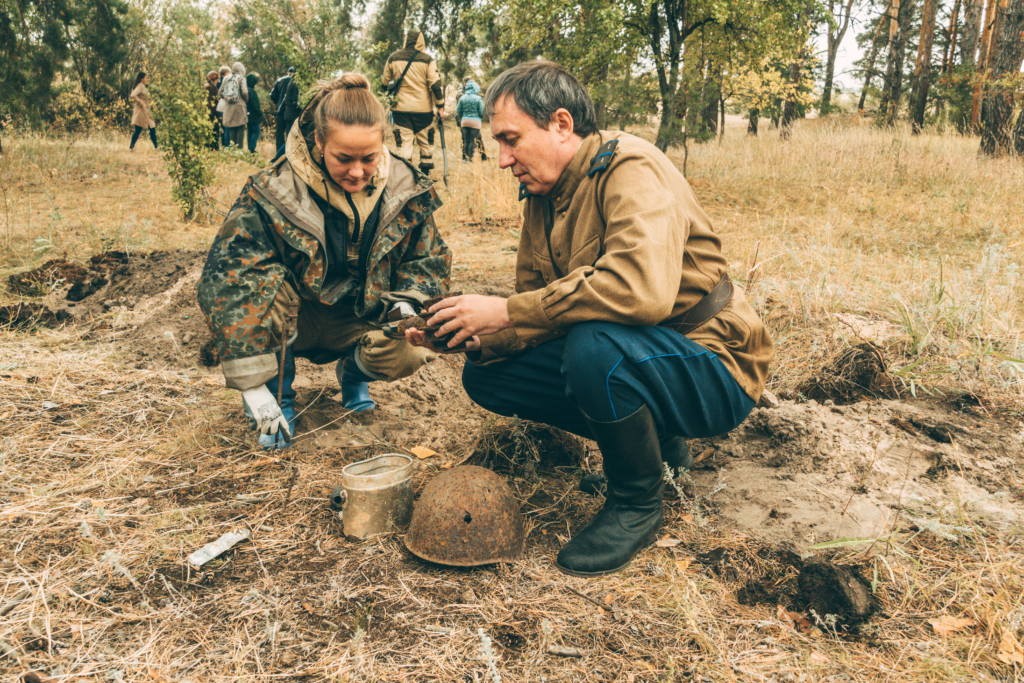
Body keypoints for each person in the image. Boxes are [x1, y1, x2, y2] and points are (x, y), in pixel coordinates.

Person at [407, 61, 773, 577]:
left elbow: (639, 293)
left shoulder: (631, 168)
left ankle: (638, 502)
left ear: (560, 124)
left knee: (594, 345)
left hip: (715, 367)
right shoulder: (545, 192)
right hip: (649, 357)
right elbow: (540, 308)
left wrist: (505, 311)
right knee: (489, 373)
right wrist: (473, 337)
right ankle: (660, 449)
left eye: (511, 139)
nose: (502, 159)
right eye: (498, 143)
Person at [197, 73, 451, 451]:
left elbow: (427, 261)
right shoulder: (273, 189)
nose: (357, 172)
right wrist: (256, 392)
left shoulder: (405, 187)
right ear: (318, 141)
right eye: (343, 158)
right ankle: (281, 396)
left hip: (363, 314)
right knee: (261, 285)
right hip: (293, 318)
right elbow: (230, 278)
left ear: (384, 142)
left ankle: (353, 374)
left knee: (413, 346)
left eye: (369, 158)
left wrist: (406, 306)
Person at [381, 30, 444, 175]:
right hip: (424, 112)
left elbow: (385, 84)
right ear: (422, 42)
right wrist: (440, 105)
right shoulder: (427, 60)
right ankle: (425, 178)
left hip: (400, 111)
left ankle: (406, 178)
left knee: (404, 145)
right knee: (426, 145)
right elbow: (435, 85)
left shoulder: (393, 58)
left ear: (405, 40)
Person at [270, 66, 300, 156]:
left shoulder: (280, 80)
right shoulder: (297, 82)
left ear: (287, 72)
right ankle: (287, 153)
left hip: (280, 110)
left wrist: (277, 103)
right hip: (291, 111)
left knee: (279, 133)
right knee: (289, 133)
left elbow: (272, 95)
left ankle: (278, 153)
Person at [456, 79, 487, 162]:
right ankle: (470, 158)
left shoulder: (462, 97)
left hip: (464, 121)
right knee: (473, 141)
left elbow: (458, 110)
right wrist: (479, 116)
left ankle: (464, 159)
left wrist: (464, 115)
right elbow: (481, 111)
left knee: (466, 141)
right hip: (475, 121)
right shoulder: (478, 98)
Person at [219, 62, 249, 148]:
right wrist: (245, 100)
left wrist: (227, 98)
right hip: (240, 105)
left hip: (229, 106)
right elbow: (245, 92)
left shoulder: (226, 78)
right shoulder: (241, 78)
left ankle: (232, 150)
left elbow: (220, 92)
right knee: (240, 128)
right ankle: (239, 150)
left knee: (232, 128)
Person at [129, 72, 157, 150]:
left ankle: (156, 147)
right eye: (146, 78)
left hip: (146, 111)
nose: (147, 79)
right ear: (142, 79)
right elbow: (133, 95)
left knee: (152, 127)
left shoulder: (143, 86)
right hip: (141, 111)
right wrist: (140, 102)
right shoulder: (140, 86)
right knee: (138, 130)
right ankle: (131, 147)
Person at [204, 71, 222, 150]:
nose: (218, 81)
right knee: (214, 131)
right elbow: (211, 102)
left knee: (211, 131)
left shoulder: (208, 86)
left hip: (210, 113)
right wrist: (215, 114)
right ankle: (213, 148)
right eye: (217, 78)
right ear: (214, 78)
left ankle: (212, 148)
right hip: (212, 113)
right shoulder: (210, 87)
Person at [245, 72, 262, 153]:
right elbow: (255, 105)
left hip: (247, 114)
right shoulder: (252, 91)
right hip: (254, 115)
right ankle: (252, 148)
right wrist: (260, 113)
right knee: (256, 131)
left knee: (250, 131)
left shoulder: (245, 90)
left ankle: (250, 147)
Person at [217, 66, 231, 147]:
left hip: (220, 107)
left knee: (223, 127)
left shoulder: (219, 83)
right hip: (224, 107)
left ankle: (224, 145)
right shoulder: (223, 83)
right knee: (226, 127)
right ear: (223, 75)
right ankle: (226, 145)